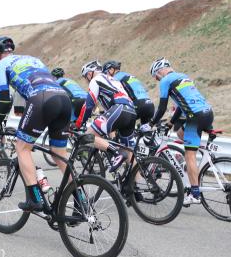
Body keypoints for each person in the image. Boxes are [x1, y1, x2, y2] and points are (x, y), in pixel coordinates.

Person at [0, 37, 71, 212]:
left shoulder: (1, 65)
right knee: (59, 154)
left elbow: (3, 101)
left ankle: (35, 199)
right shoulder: (34, 59)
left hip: (41, 98)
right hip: (63, 98)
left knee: (22, 148)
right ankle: (80, 199)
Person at [148, 57, 213, 205]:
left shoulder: (166, 81)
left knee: (190, 155)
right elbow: (180, 106)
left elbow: (162, 107)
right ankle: (190, 167)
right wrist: (170, 123)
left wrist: (151, 123)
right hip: (207, 113)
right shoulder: (183, 76)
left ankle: (195, 194)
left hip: (195, 117)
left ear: (160, 70)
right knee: (180, 134)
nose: (158, 80)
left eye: (156, 76)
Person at [76, 60, 136, 173]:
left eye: (85, 77)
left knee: (88, 135)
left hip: (119, 109)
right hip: (131, 111)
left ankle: (117, 153)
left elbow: (88, 105)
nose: (86, 80)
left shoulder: (95, 80)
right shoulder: (113, 80)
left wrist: (78, 123)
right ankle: (134, 186)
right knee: (129, 152)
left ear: (90, 73)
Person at [102, 60, 155, 125]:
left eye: (105, 73)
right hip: (149, 105)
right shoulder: (128, 75)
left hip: (138, 105)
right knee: (145, 131)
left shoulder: (115, 79)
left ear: (111, 69)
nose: (106, 76)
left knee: (119, 125)